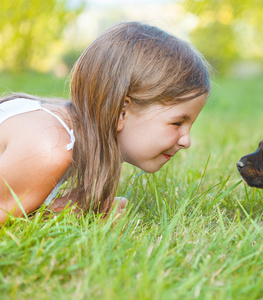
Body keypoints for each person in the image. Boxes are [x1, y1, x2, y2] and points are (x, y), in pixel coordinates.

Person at [0, 21, 211, 225]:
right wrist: (68, 213)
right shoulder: (48, 147)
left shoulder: (67, 135)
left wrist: (69, 209)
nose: (187, 141)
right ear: (122, 111)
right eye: (177, 123)